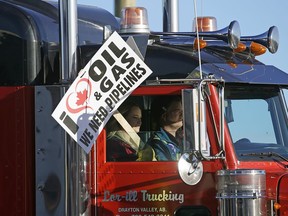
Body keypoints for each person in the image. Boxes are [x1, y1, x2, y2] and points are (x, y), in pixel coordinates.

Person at [147, 96, 183, 161]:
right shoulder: (158, 143)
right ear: (164, 115)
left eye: (182, 110)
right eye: (177, 111)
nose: (182, 114)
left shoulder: (182, 139)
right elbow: (165, 168)